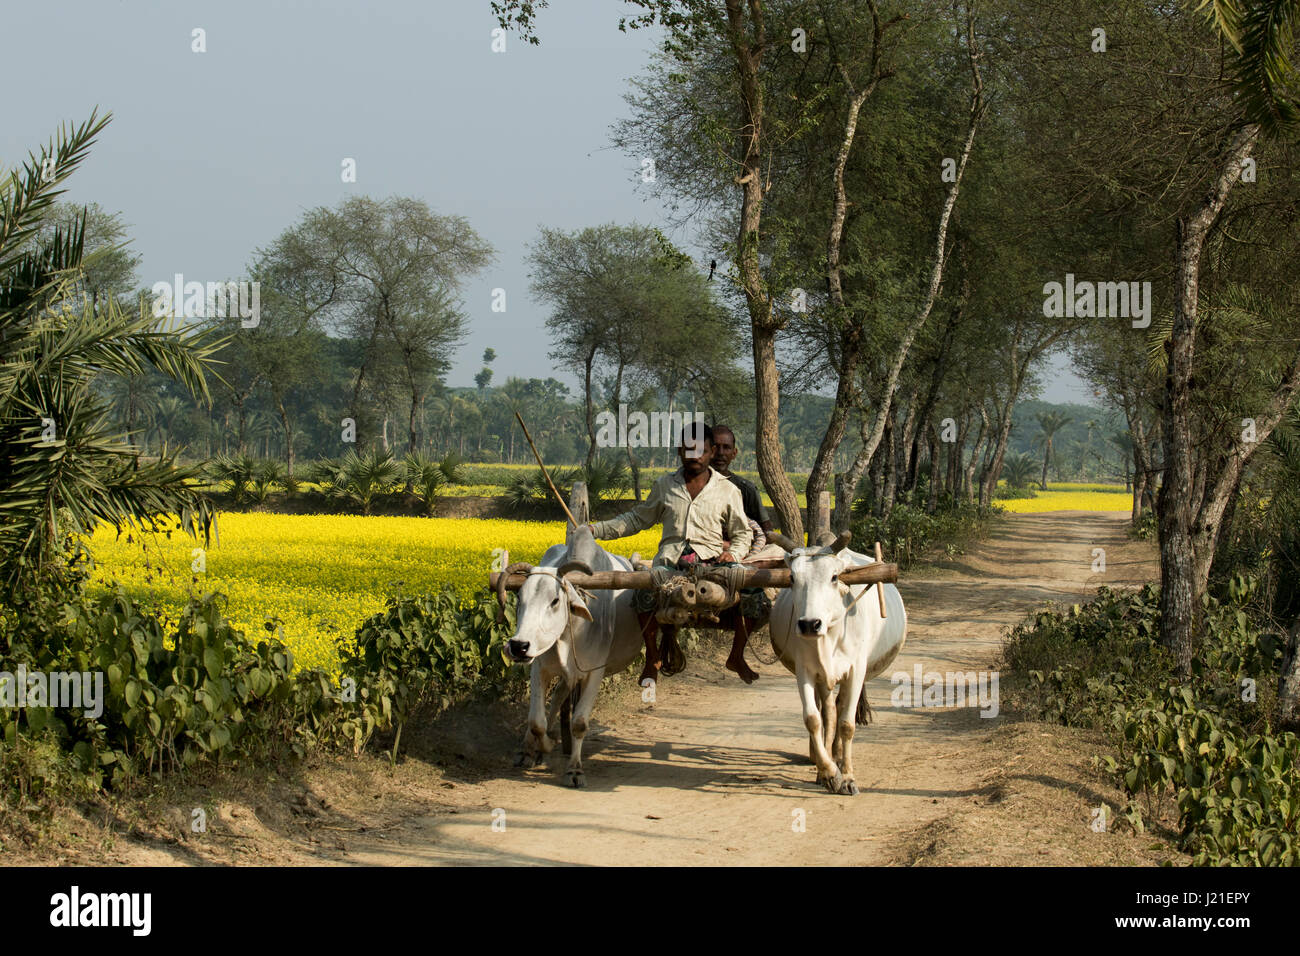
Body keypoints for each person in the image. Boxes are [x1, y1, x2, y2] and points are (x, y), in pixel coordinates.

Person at [590, 422, 759, 684]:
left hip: (712, 564)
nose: (694, 456)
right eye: (688, 450)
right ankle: (652, 657)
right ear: (680, 451)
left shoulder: (728, 490)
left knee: (753, 592)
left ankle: (737, 655)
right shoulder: (665, 485)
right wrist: (596, 530)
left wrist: (734, 555)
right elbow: (637, 519)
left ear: (712, 451)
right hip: (670, 566)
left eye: (701, 450)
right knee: (642, 592)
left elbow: (742, 533)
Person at [710, 424, 786, 564]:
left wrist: (743, 550)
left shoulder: (745, 489)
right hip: (705, 551)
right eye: (716, 447)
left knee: (777, 552)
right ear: (706, 450)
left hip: (742, 555)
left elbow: (765, 531)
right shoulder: (692, 486)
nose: (720, 453)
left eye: (726, 447)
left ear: (734, 453)